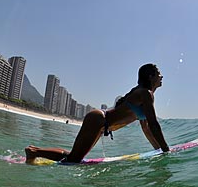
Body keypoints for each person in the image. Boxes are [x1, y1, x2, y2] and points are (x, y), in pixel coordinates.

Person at [24, 64, 169, 163]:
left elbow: (147, 127)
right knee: (73, 159)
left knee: (74, 158)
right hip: (98, 120)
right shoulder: (146, 94)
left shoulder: (143, 95)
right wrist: (166, 150)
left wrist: (158, 150)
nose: (161, 76)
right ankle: (34, 152)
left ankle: (34, 151)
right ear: (150, 76)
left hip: (101, 124)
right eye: (159, 73)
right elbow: (154, 124)